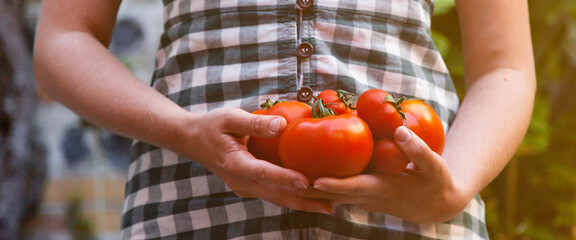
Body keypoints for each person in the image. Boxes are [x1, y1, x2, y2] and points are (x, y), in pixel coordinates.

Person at [34, 0, 535, 239]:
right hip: (190, 205)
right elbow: (62, 41)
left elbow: (505, 66)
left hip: (413, 216)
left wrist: (455, 185)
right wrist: (185, 131)